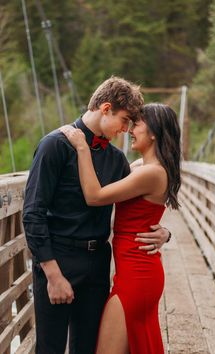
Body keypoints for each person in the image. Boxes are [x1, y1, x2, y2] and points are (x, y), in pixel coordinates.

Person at [23, 77, 171, 354]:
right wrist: (53, 275)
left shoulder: (116, 159)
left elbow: (140, 202)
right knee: (51, 348)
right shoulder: (54, 145)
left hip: (98, 264)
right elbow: (32, 213)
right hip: (58, 260)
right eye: (125, 120)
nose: (126, 130)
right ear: (105, 109)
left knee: (88, 347)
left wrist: (164, 232)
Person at [60, 102, 181, 354]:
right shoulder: (139, 168)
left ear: (154, 132)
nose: (130, 130)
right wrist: (166, 234)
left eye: (136, 124)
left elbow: (95, 196)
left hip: (137, 277)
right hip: (131, 272)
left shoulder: (152, 173)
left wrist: (82, 147)